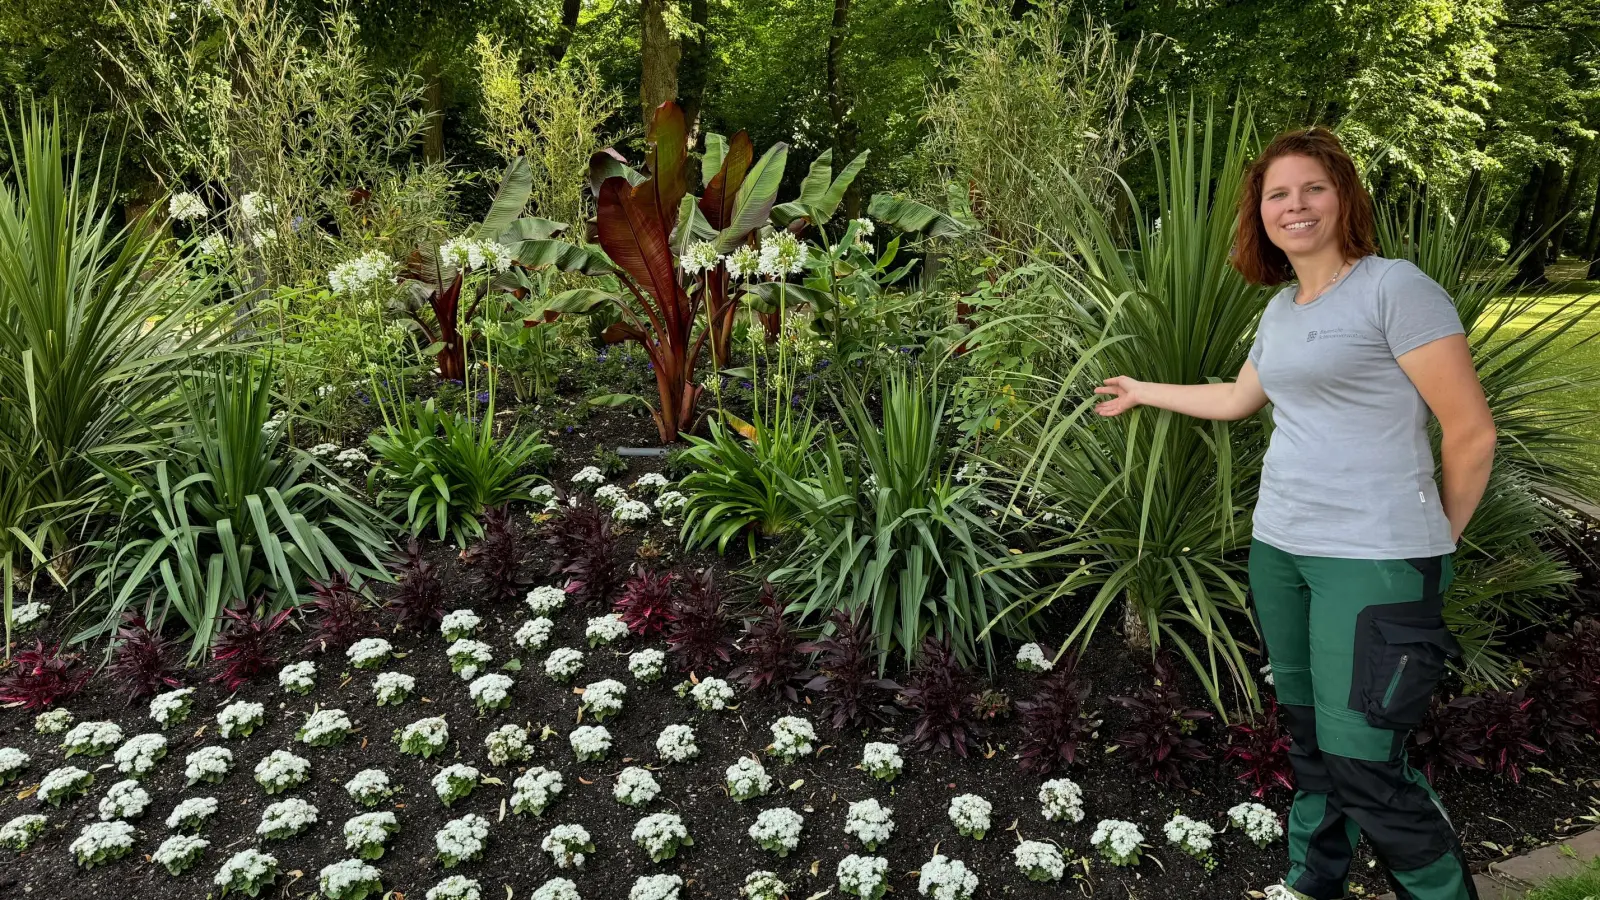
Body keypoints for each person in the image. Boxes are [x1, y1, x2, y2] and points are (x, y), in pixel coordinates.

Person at [1094, 127, 1496, 900]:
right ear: (1261, 214)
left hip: (1375, 561)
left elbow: (1472, 433)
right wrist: (1144, 390)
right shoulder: (1282, 308)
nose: (1295, 205)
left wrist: (1432, 539)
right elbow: (1241, 399)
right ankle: (1314, 882)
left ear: (1344, 196)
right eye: (1278, 194)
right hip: (1281, 549)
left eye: (1312, 187)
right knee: (1311, 744)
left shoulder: (1394, 288)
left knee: (1368, 765)